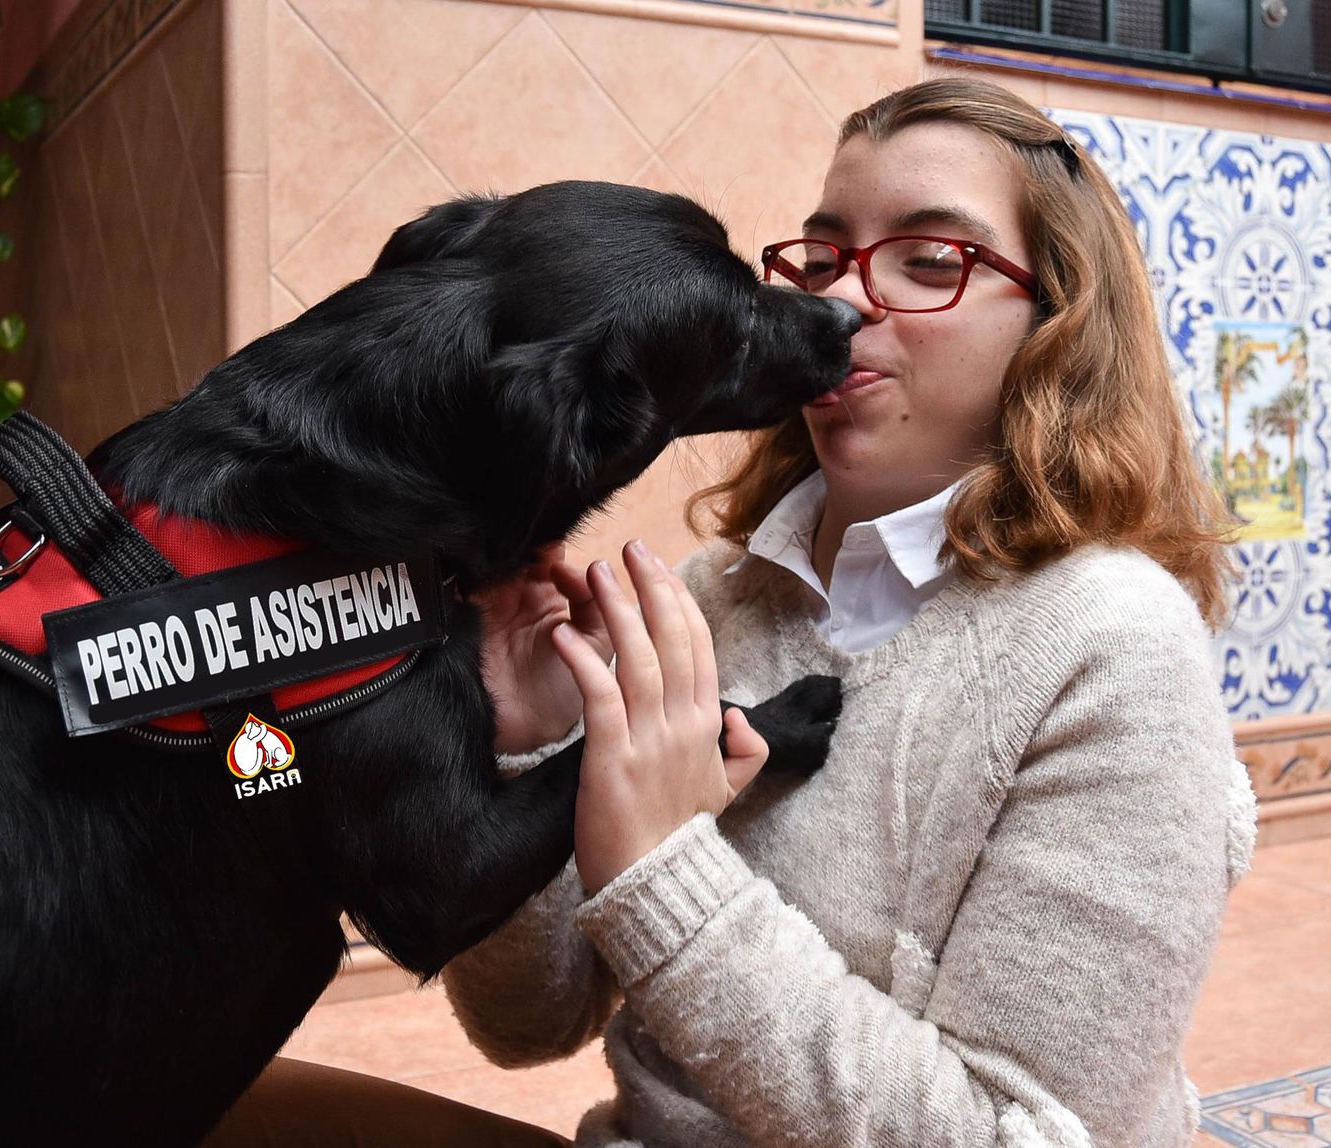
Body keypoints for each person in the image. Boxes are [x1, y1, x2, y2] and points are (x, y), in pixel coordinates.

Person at [441, 76, 1257, 1148]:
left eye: (930, 260)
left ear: (1056, 321)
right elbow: (525, 1022)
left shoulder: (1111, 646)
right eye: (822, 259)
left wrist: (660, 869)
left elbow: (1019, 1131)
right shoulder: (708, 596)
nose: (842, 302)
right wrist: (532, 750)